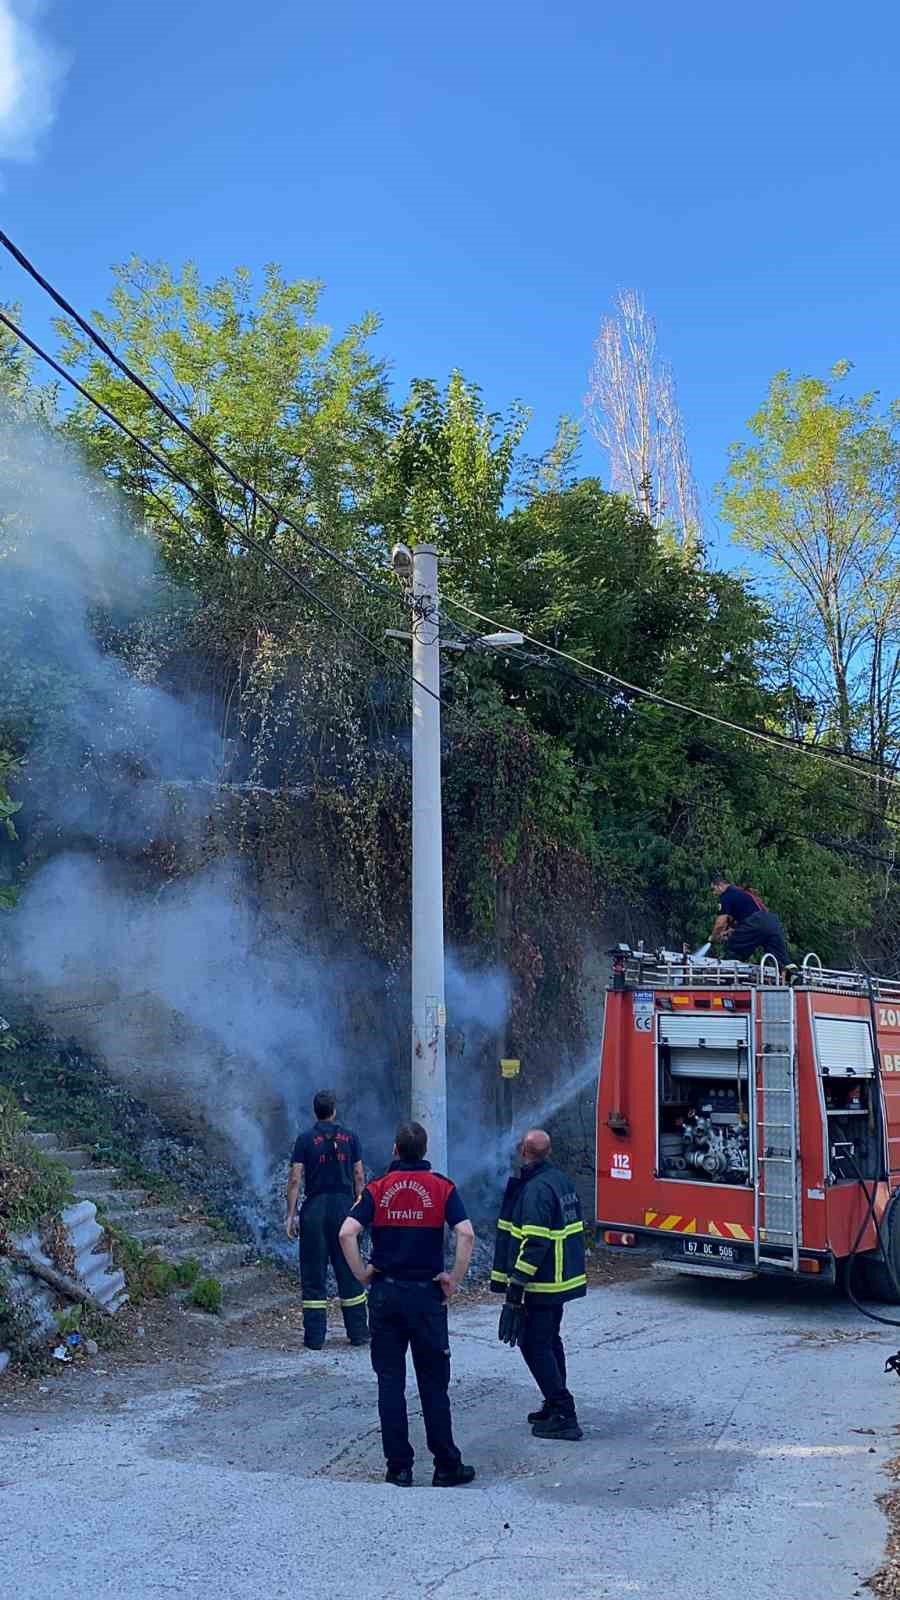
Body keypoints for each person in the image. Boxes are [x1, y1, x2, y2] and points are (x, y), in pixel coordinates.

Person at [339, 1120, 476, 1488]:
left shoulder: (377, 1189)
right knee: (433, 1384)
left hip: (386, 1294)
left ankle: (399, 1467)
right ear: (424, 1151)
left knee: (390, 1383)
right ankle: (447, 1465)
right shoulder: (443, 1188)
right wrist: (453, 1279)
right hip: (427, 1296)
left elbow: (347, 1232)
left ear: (395, 1151)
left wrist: (362, 1274)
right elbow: (465, 1233)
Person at [492, 1128, 586, 1442]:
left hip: (541, 1283)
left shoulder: (535, 1191)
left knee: (533, 1344)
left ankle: (563, 1412)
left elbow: (534, 1243)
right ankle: (553, 1401)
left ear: (524, 1152)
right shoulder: (559, 1180)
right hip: (557, 1281)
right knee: (548, 1340)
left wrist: (516, 1285)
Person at [285, 1090, 369, 1350]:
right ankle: (358, 1333)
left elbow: (296, 1179)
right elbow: (358, 1176)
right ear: (334, 1111)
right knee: (350, 1270)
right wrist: (359, 1208)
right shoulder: (351, 1138)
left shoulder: (305, 1139)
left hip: (315, 1210)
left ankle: (314, 1338)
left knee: (313, 1273)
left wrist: (291, 1214)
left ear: (315, 1112)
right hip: (344, 1209)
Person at [708, 873, 790, 967]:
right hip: (772, 923)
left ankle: (730, 975)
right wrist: (730, 932)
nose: (713, 893)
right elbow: (744, 921)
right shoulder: (741, 893)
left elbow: (720, 924)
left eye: (713, 889)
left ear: (720, 885)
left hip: (755, 922)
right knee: (780, 957)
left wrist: (714, 937)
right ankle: (794, 976)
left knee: (733, 949)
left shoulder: (726, 896)